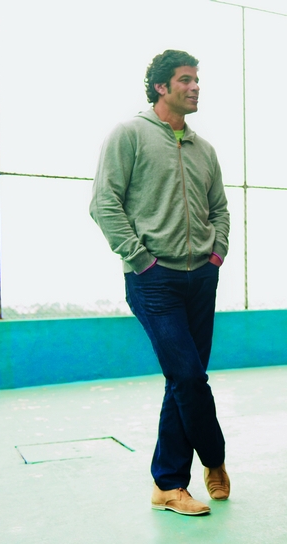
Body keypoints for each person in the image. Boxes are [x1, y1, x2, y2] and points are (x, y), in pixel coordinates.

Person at [90, 49, 231, 516]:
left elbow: (219, 209)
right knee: (188, 376)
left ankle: (167, 486)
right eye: (185, 80)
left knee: (182, 380)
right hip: (154, 280)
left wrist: (216, 254)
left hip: (201, 277)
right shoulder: (129, 135)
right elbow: (103, 203)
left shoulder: (204, 150)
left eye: (197, 79)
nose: (195, 87)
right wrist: (141, 260)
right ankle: (212, 458)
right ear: (160, 87)